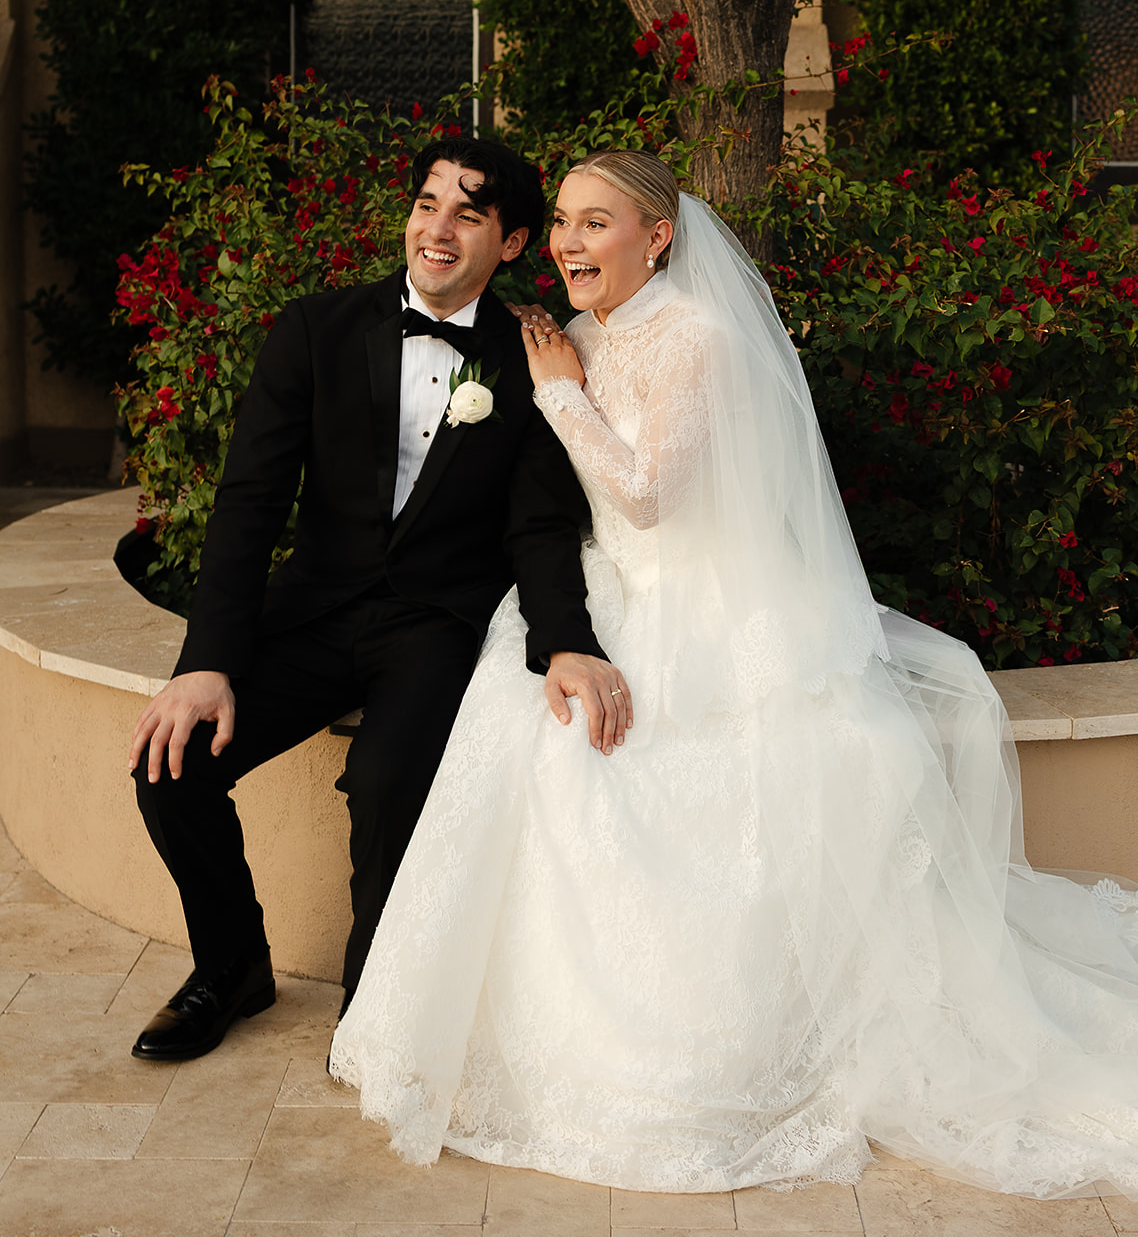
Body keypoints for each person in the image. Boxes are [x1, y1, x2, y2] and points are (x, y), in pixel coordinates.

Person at [331, 149, 1138, 1200]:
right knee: (532, 734)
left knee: (651, 775)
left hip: (702, 611)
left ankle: (694, 1060)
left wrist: (561, 397)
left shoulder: (696, 337)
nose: (570, 242)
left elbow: (648, 494)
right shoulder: (578, 333)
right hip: (607, 596)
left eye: (596, 222)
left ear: (658, 236)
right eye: (563, 222)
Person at [127, 136, 630, 1062]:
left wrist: (566, 640)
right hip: (313, 609)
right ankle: (231, 967)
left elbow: (540, 524)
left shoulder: (529, 360)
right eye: (428, 204)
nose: (437, 230)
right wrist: (206, 662)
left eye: (468, 214)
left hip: (434, 624)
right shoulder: (315, 329)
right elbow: (249, 502)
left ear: (512, 242)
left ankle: (372, 1007)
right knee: (172, 763)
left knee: (392, 783)